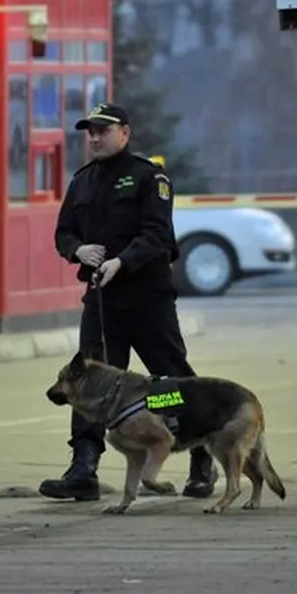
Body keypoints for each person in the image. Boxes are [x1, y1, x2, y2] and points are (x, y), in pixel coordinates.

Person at [42, 103, 217, 501]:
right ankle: (83, 468)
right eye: (90, 131)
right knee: (87, 382)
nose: (94, 137)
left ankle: (200, 455)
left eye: (103, 130)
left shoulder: (148, 177)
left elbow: (158, 235)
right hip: (102, 302)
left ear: (125, 132)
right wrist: (78, 251)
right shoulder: (83, 182)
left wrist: (123, 261)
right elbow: (63, 233)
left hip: (147, 300)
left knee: (171, 381)